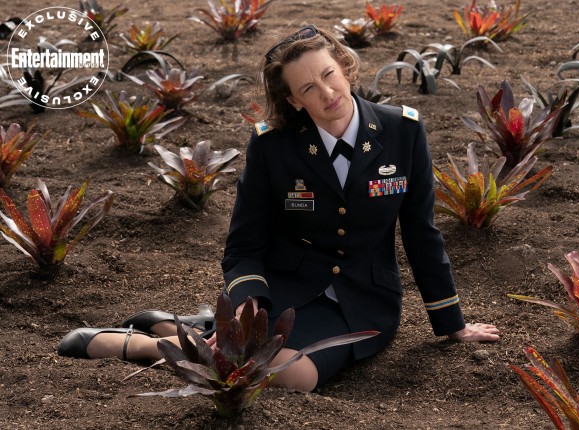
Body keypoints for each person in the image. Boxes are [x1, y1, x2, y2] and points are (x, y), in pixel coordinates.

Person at [58, 24, 499, 392]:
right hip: (284, 286)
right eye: (308, 88)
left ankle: (175, 333)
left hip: (366, 300)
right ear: (294, 101)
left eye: (329, 74)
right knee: (237, 359)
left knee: (293, 375)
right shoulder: (273, 145)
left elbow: (421, 232)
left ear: (344, 66)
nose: (327, 92)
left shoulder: (402, 131)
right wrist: (248, 302)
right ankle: (145, 343)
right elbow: (244, 244)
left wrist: (451, 322)